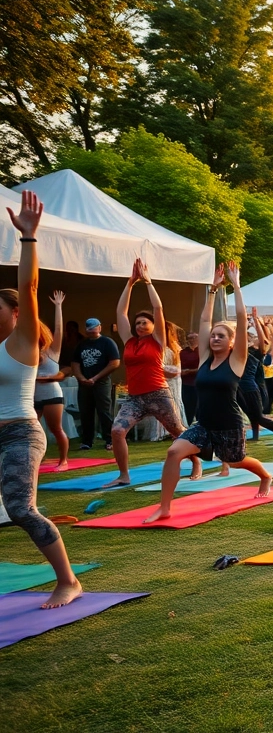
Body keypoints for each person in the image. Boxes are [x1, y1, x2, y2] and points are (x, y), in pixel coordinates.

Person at [144, 262, 273, 523]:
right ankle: (165, 507)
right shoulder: (205, 359)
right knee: (174, 452)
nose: (214, 338)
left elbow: (239, 319)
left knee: (237, 462)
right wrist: (213, 290)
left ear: (231, 342)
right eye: (213, 335)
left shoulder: (237, 360)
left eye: (220, 336)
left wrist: (236, 287)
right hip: (203, 424)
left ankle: (265, 476)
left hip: (229, 426)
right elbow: (204, 320)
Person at [2, 189, 84, 607]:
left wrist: (29, 238)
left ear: (14, 314)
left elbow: (29, 286)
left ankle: (68, 580)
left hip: (18, 434)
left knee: (20, 509)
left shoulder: (21, 342)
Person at [102, 259, 201, 488]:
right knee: (117, 431)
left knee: (178, 431)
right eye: (137, 323)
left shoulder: (157, 341)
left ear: (153, 325)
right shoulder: (129, 342)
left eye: (144, 322)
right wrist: (129, 283)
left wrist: (147, 282)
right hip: (135, 398)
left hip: (158, 394)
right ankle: (123, 475)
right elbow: (121, 312)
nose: (139, 325)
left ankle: (196, 461)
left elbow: (158, 308)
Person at [235, 310, 273, 446]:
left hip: (250, 387)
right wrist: (245, 324)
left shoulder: (258, 353)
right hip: (237, 387)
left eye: (252, 339)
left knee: (259, 416)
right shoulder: (239, 351)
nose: (250, 340)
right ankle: (254, 436)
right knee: (250, 415)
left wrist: (256, 321)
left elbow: (262, 339)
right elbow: (238, 336)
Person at [71, 316, 119, 450]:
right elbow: (75, 363)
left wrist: (96, 377)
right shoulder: (82, 344)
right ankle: (87, 441)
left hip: (102, 382)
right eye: (89, 330)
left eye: (94, 329)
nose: (92, 332)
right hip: (84, 383)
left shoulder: (107, 342)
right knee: (86, 412)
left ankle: (110, 439)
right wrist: (81, 378)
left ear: (99, 328)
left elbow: (114, 363)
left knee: (104, 412)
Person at [34, 291, 70, 470]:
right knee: (32, 429)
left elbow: (58, 329)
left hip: (51, 395)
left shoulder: (52, 350)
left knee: (56, 428)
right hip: (33, 395)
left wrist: (58, 307)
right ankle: (38, 457)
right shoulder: (26, 351)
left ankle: (63, 460)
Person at [180, 331, 200, 426]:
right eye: (190, 338)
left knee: (200, 407)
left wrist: (189, 371)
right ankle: (186, 426)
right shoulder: (183, 352)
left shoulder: (202, 351)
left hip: (199, 383)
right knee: (188, 406)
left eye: (194, 337)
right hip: (186, 383)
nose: (192, 340)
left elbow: (204, 366)